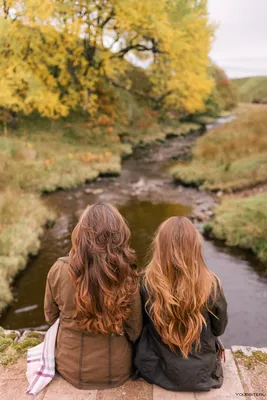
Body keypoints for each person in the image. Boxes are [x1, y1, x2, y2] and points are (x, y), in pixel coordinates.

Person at [44, 203, 142, 390]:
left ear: (79, 233)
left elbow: (50, 317)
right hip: (118, 370)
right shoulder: (128, 275)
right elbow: (135, 329)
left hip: (70, 367)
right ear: (119, 236)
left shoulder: (59, 269)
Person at [134, 216, 228, 392]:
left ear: (160, 247)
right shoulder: (212, 284)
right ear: (195, 247)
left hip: (157, 369)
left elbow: (138, 327)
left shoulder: (145, 282)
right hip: (204, 373)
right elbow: (219, 329)